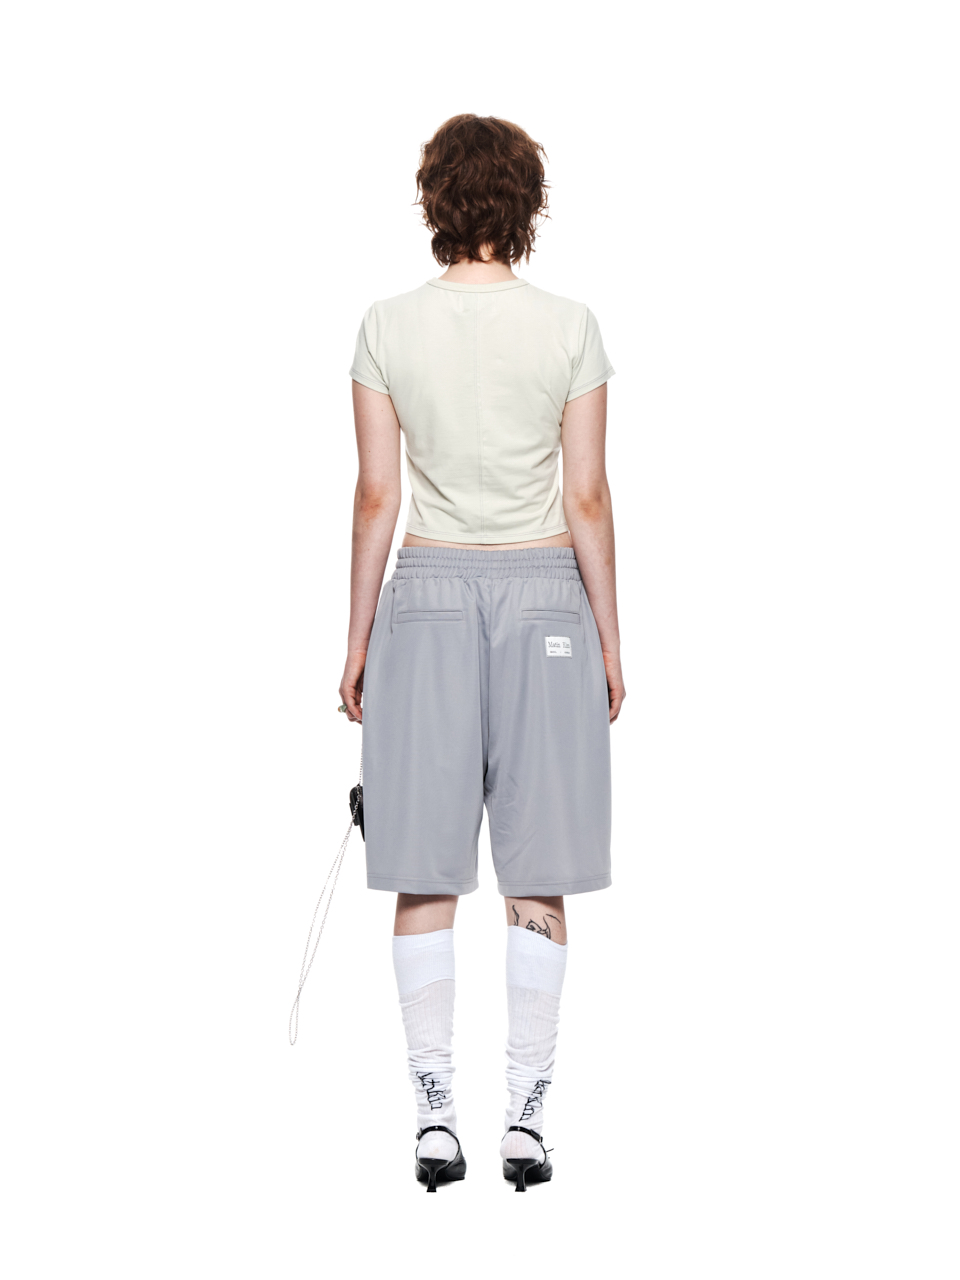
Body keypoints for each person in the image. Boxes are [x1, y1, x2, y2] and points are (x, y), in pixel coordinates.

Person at [339, 113, 624, 1193]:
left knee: (424, 865)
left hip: (424, 598)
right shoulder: (569, 326)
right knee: (537, 867)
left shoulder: (385, 325)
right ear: (525, 203)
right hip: (548, 592)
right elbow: (587, 496)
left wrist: (358, 640)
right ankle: (526, 1121)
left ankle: (434, 1118)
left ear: (436, 201)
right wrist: (609, 637)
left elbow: (377, 495)